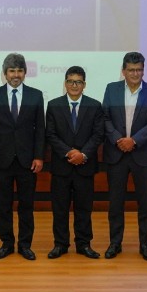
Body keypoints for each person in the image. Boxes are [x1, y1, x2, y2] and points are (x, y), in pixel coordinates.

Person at [101, 51, 147, 259]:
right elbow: (105, 118)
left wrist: (134, 140)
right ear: (123, 71)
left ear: (143, 71)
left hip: (143, 155)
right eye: (131, 70)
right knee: (115, 203)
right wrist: (118, 139)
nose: (135, 73)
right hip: (116, 153)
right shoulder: (111, 89)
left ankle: (145, 245)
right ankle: (115, 243)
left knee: (145, 204)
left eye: (139, 70)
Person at [0, 53, 46, 261]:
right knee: (3, 206)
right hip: (1, 160)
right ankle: (7, 244)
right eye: (12, 71)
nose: (16, 75)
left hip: (28, 161)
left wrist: (39, 156)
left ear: (25, 73)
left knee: (26, 205)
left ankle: (25, 245)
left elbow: (40, 129)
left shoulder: (36, 95)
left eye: (20, 71)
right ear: (5, 73)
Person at [44, 66, 105, 259]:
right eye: (70, 81)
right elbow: (50, 134)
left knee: (84, 209)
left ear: (84, 84)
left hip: (85, 166)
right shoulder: (54, 105)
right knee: (60, 209)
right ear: (65, 83)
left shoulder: (95, 106)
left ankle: (84, 244)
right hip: (61, 167)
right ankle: (60, 244)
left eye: (78, 82)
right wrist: (69, 152)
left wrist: (83, 154)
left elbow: (98, 134)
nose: (74, 85)